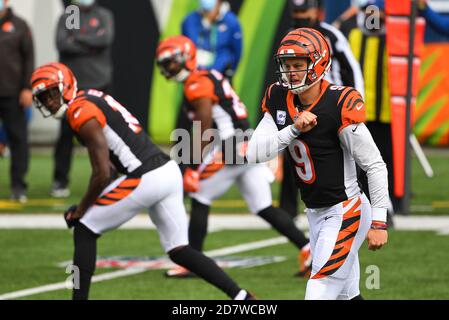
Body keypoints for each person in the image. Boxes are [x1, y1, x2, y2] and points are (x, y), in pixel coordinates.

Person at [30, 62, 254, 301]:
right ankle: (242, 297)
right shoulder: (90, 98)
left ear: (66, 86)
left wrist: (80, 210)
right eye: (43, 98)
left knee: (84, 227)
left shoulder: (79, 111)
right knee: (180, 250)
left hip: (146, 176)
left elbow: (102, 173)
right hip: (167, 171)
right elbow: (110, 171)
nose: (50, 102)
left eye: (52, 93)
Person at [247, 28, 389, 300]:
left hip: (346, 209)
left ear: (319, 63)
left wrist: (380, 222)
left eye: (299, 65)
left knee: (319, 290)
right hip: (315, 211)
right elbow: (254, 153)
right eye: (287, 65)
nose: (291, 72)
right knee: (346, 295)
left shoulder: (338, 102)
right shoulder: (278, 96)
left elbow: (374, 164)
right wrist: (293, 130)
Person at [156, 35, 311, 279]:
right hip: (245, 143)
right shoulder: (210, 76)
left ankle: (191, 261)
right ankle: (308, 249)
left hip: (232, 147)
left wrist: (194, 166)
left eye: (171, 62)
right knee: (263, 206)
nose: (168, 68)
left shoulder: (197, 82)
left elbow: (204, 127)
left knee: (199, 193)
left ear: (186, 58)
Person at [280, 0, 365, 220]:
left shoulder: (331, 35)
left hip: (331, 104)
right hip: (300, 105)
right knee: (294, 152)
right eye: (297, 11)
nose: (300, 16)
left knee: (351, 156)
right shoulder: (290, 37)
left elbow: (351, 67)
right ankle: (288, 209)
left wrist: (356, 100)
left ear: (317, 11)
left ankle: (369, 206)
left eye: (304, 11)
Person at [337, 0, 397, 224]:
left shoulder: (391, 37)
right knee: (359, 163)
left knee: (381, 162)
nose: (374, 19)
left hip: (384, 110)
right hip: (357, 110)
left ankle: (386, 208)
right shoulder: (350, 34)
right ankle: (367, 208)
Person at [52, 0, 114, 198]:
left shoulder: (103, 15)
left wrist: (77, 39)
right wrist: (89, 43)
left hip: (99, 83)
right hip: (72, 87)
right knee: (66, 135)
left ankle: (111, 178)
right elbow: (63, 44)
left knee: (106, 135)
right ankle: (60, 180)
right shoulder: (71, 15)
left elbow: (104, 40)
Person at [0, 0, 34, 202]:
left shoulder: (20, 25)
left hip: (13, 93)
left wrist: (27, 88)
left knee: (19, 140)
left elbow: (29, 58)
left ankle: (18, 186)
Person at [182, 0, 242, 80]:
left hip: (220, 78)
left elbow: (236, 52)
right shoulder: (190, 20)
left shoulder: (231, 22)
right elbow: (184, 48)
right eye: (205, 10)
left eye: (210, 10)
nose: (208, 13)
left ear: (219, 3)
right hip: (194, 78)